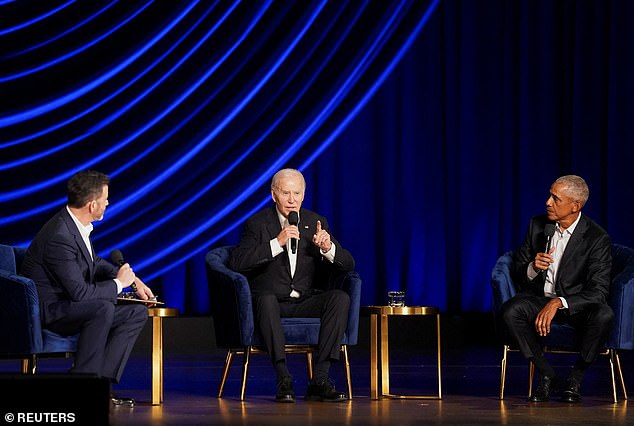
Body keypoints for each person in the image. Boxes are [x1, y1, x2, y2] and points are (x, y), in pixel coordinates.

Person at [21, 170, 155, 407]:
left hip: (71, 305)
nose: (108, 203)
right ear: (92, 205)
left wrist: (134, 281)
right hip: (52, 310)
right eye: (105, 199)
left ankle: (101, 384)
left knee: (136, 312)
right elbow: (80, 294)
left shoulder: (76, 226)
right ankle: (84, 380)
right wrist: (119, 284)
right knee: (102, 307)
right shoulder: (59, 235)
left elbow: (95, 264)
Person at [229, 168, 355, 403]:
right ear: (273, 194)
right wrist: (276, 243)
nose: (291, 200)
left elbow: (348, 264)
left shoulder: (315, 222)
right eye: (286, 193)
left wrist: (328, 249)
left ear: (304, 195)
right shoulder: (257, 224)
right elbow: (237, 262)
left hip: (304, 301)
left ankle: (320, 379)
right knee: (265, 300)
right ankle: (283, 378)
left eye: (296, 193)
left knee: (339, 298)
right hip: (270, 302)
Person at [501, 175, 613, 403]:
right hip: (541, 298)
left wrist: (559, 302)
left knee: (604, 314)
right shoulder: (537, 225)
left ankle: (575, 379)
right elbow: (518, 269)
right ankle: (546, 373)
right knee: (511, 311)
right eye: (549, 195)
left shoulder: (596, 238)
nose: (547, 202)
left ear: (575, 206)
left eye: (555, 198)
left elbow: (599, 291)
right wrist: (533, 266)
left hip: (576, 305)